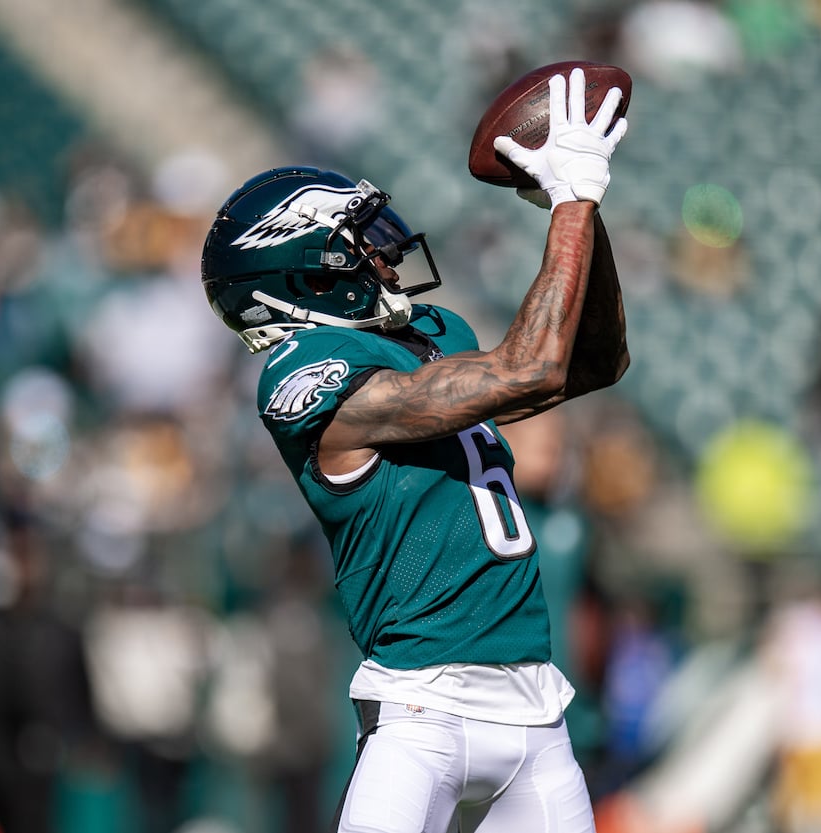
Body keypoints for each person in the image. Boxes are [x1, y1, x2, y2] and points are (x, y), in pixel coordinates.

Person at [200, 68, 630, 832]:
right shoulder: (301, 377)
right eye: (357, 247)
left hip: (537, 706)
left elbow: (592, 357)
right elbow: (530, 364)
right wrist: (573, 201)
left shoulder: (432, 335)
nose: (386, 257)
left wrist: (578, 215)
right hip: (423, 709)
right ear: (302, 277)